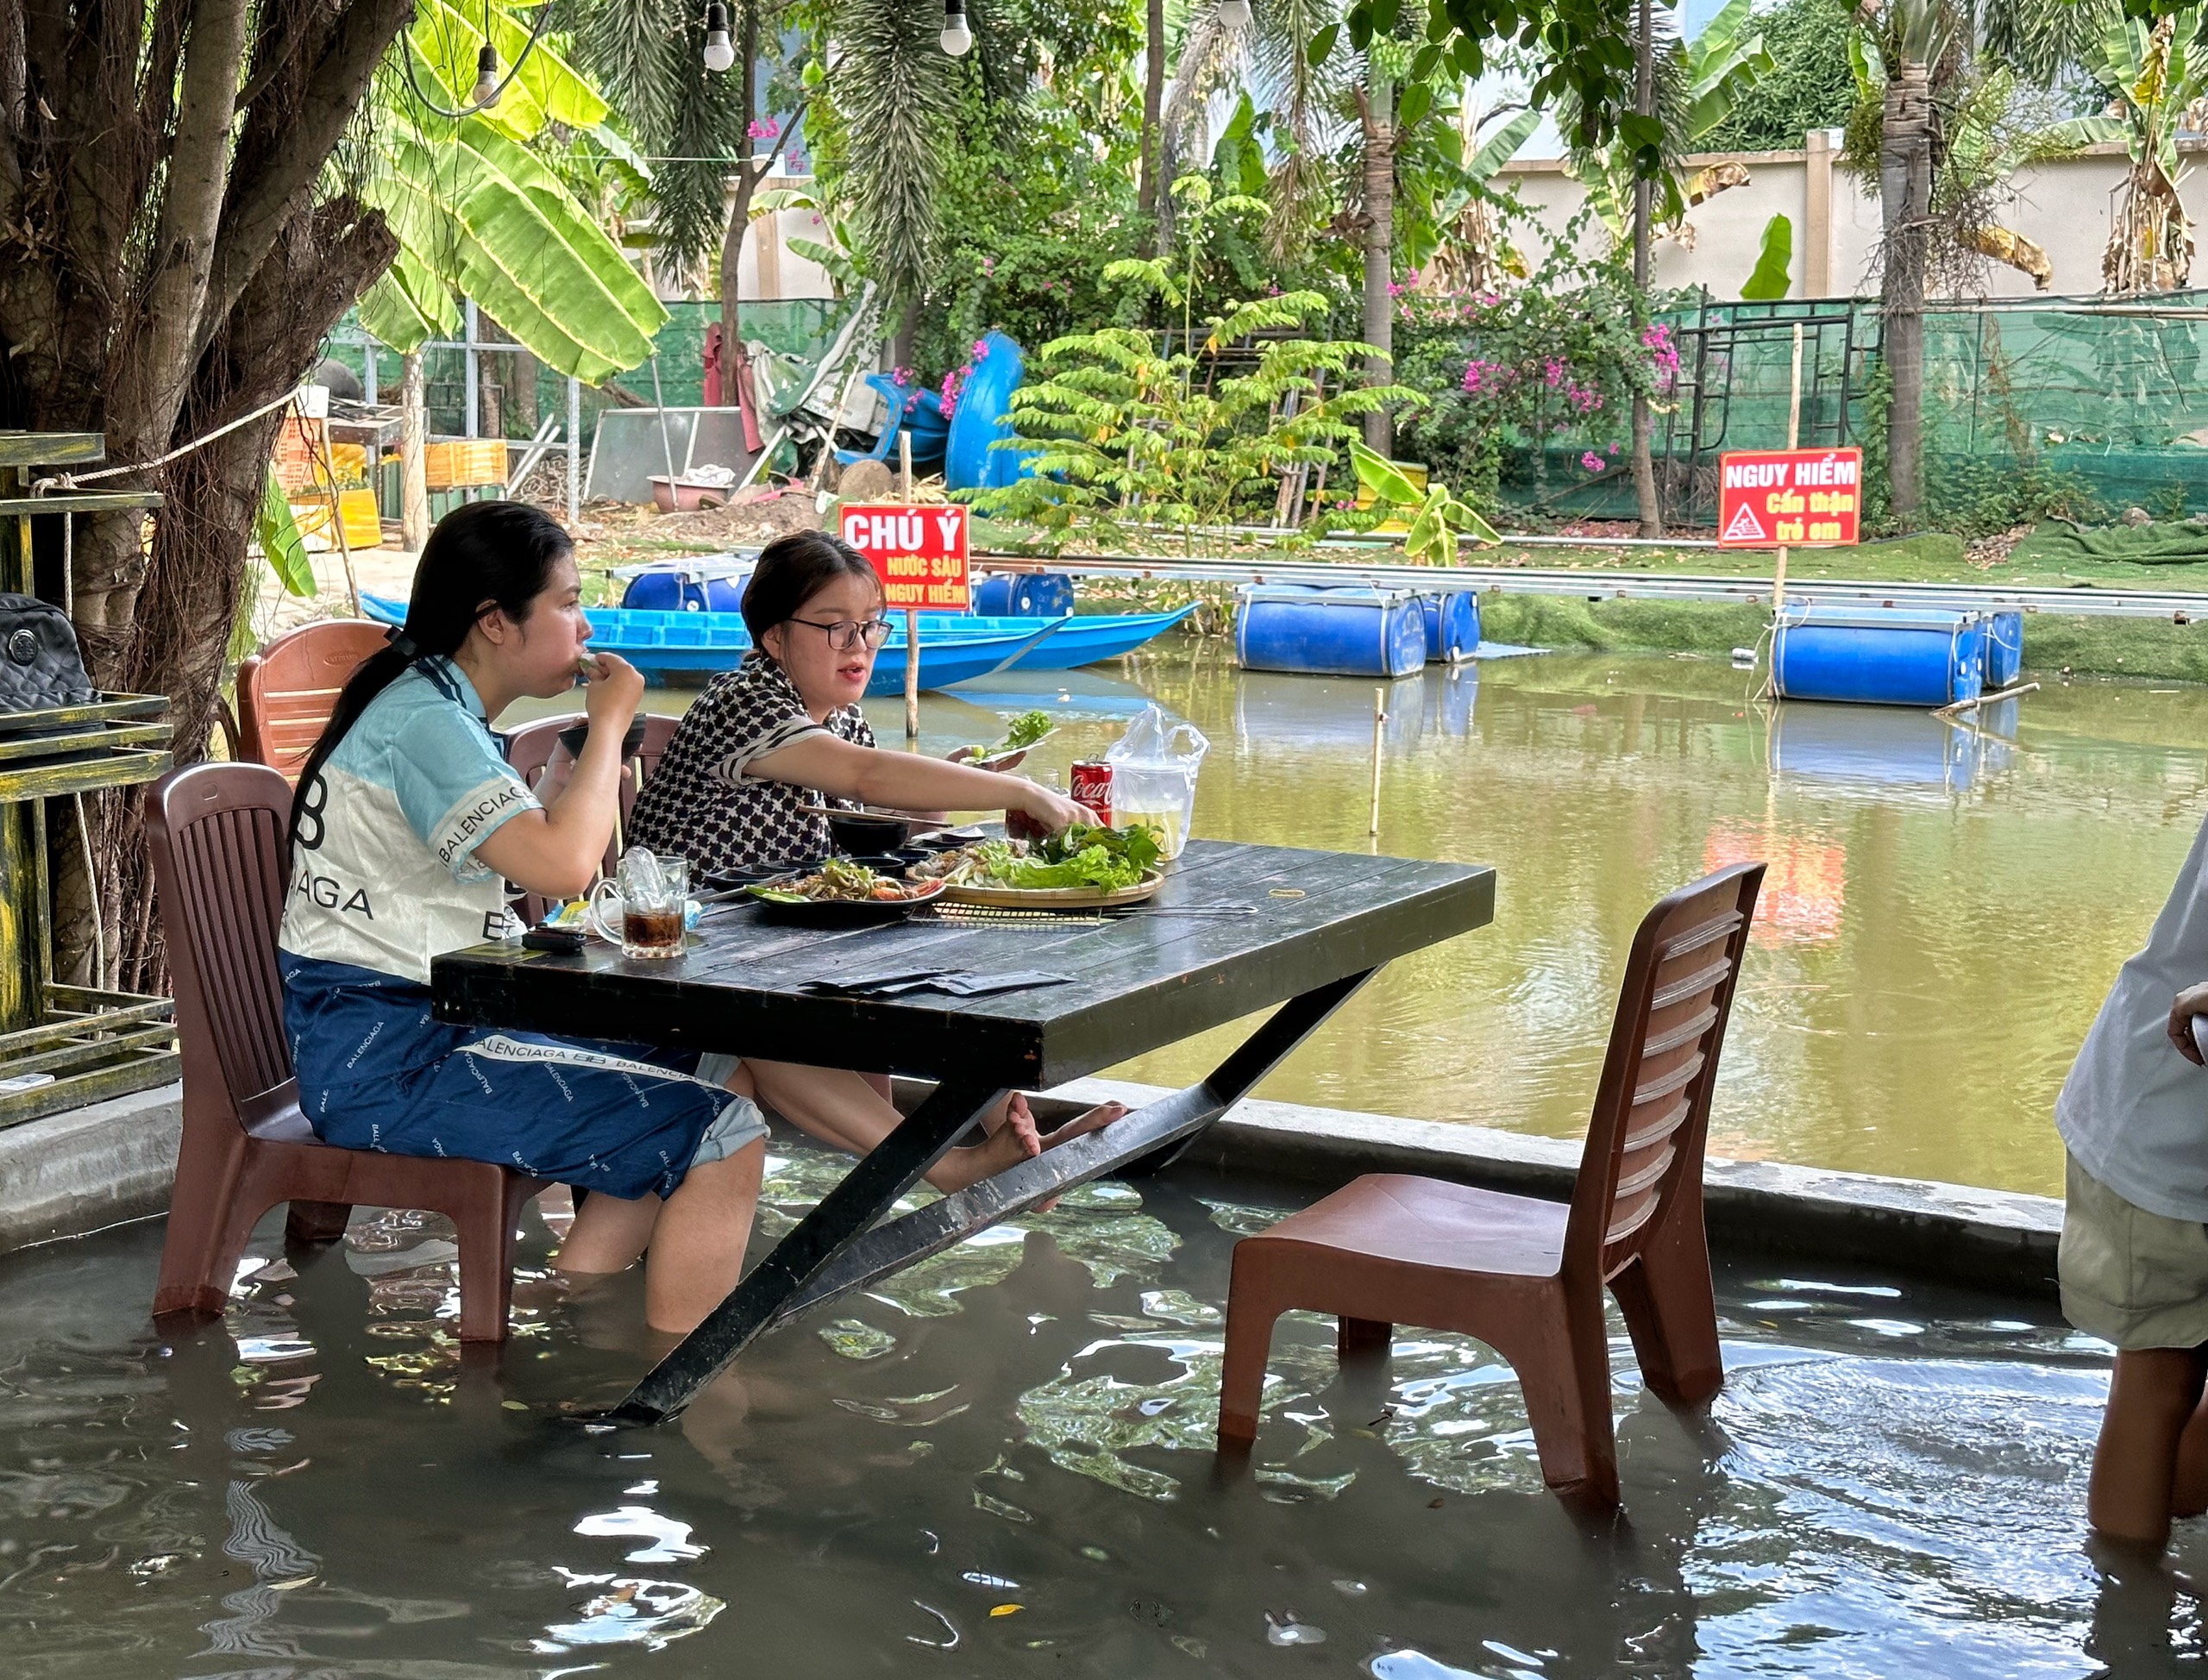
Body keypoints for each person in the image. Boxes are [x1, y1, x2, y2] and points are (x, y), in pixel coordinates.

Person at [278, 499, 766, 1335]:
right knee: (724, 1126)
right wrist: (611, 722)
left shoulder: (435, 705)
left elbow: (528, 856)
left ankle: (578, 1310)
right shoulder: (423, 722)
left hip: (423, 1028)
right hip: (393, 1059)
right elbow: (565, 865)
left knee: (715, 1063)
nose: (584, 626)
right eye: (568, 602)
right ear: (496, 622)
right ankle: (688, 1384)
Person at [628, 528, 1124, 1184]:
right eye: (834, 628)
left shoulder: (841, 716)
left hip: (780, 944)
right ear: (774, 637)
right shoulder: (743, 702)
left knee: (936, 954)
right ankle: (946, 1168)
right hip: (687, 951)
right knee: (759, 1021)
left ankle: (1007, 1134)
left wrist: (940, 796)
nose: (858, 647)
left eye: (870, 627)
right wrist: (1021, 790)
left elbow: (868, 843)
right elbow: (865, 777)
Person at [2058, 812, 2208, 1549]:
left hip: (2167, 1119)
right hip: (2167, 1138)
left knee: (2164, 1386)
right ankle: (2130, 1626)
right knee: (2160, 1379)